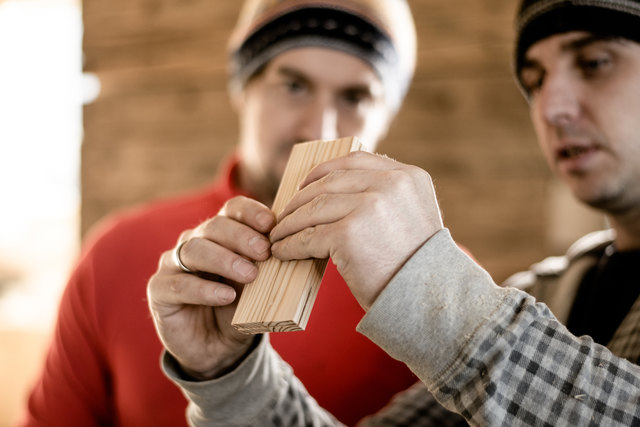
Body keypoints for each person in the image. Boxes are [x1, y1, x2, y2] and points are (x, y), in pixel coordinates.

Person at [148, 0, 640, 425]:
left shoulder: (482, 300)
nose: (550, 106)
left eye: (595, 62)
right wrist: (229, 377)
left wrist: (437, 295)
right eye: (535, 79)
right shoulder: (544, 294)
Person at [19, 1, 422, 426]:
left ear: (387, 115)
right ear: (242, 87)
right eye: (294, 86)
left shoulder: (424, 283)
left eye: (355, 97)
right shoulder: (114, 254)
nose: (318, 129)